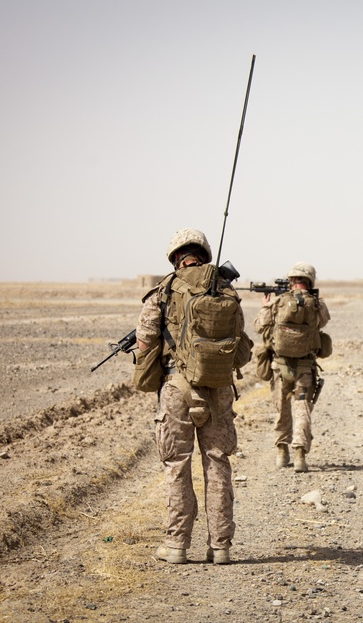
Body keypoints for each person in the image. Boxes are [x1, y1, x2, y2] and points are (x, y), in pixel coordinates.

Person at [135, 228, 247, 565]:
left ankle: (177, 546)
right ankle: (222, 546)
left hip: (177, 389)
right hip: (218, 390)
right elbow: (240, 345)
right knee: (217, 463)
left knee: (177, 465)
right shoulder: (225, 290)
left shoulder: (163, 291)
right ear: (204, 253)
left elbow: (144, 342)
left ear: (175, 257)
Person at [254, 262, 331, 473]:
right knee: (302, 410)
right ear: (310, 281)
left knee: (281, 410)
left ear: (291, 280)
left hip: (280, 367)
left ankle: (281, 453)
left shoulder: (279, 301)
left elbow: (259, 326)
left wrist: (265, 306)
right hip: (305, 368)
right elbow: (322, 323)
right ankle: (299, 455)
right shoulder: (317, 305)